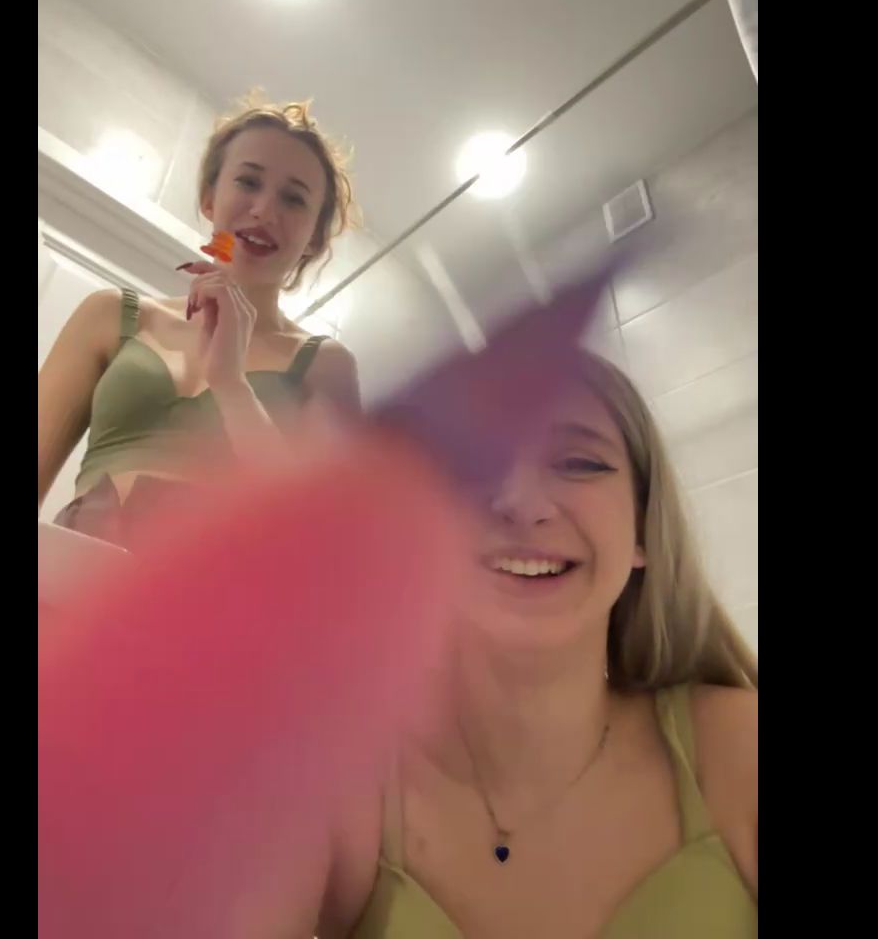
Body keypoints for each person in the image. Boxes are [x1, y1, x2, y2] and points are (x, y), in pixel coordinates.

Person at [38, 351, 758, 938]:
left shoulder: (739, 749)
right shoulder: (342, 783)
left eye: (579, 462)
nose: (521, 502)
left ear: (642, 529)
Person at [37, 94, 361, 547]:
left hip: (214, 586)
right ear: (210, 199)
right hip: (75, 576)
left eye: (293, 199)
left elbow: (318, 537)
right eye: (248, 181)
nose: (265, 210)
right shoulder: (109, 314)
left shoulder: (325, 364)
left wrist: (231, 383)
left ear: (314, 239)